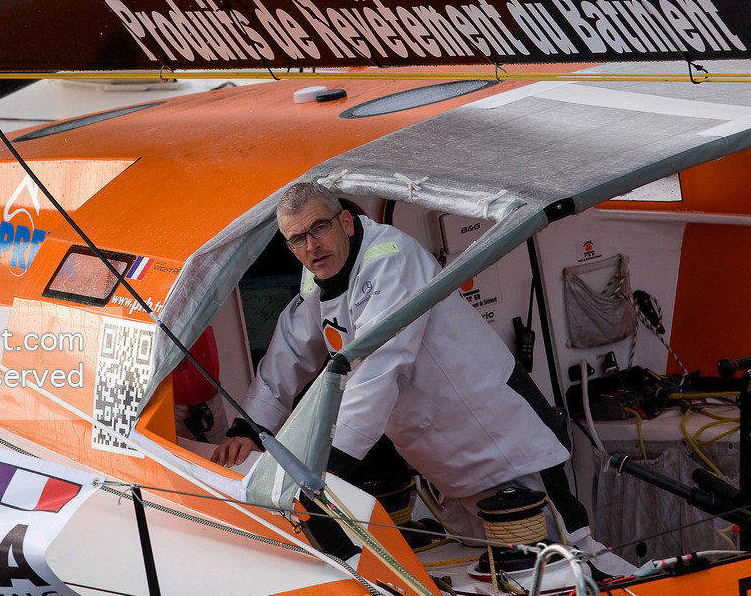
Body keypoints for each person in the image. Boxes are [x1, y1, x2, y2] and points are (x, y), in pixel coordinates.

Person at [212, 182, 590, 543]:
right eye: (298, 239)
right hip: (448, 462)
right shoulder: (318, 272)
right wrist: (249, 428)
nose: (311, 245)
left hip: (507, 445)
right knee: (489, 568)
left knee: (568, 560)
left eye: (319, 228)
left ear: (345, 222)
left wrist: (324, 471)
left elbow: (377, 369)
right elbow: (289, 352)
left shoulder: (389, 259)